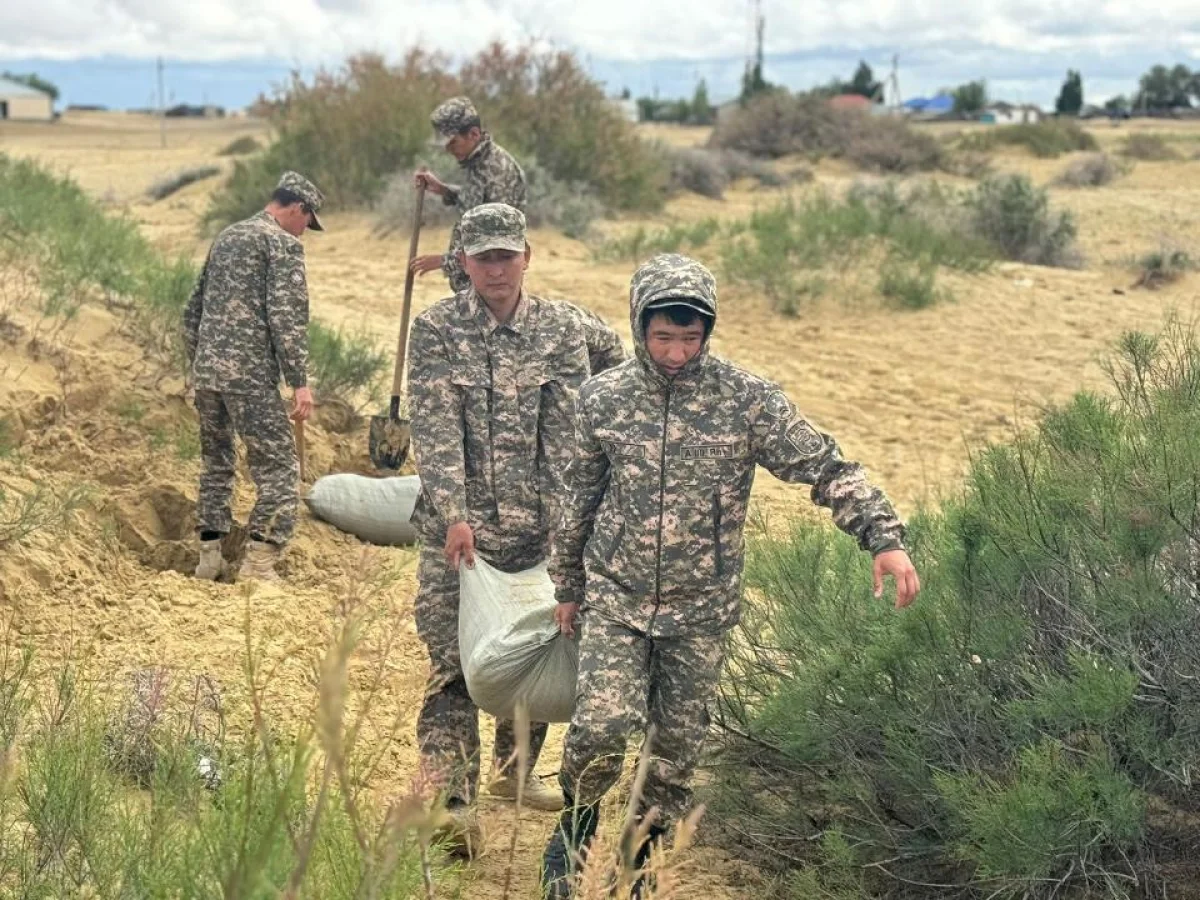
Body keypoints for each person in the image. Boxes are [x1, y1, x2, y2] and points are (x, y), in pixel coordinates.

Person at [541, 254, 922, 897]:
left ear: (708, 332)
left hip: (702, 610)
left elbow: (825, 466)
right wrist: (569, 589)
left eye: (691, 338)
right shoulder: (601, 399)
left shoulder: (745, 400)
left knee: (674, 753)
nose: (676, 353)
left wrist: (882, 537)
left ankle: (639, 863)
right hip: (617, 598)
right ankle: (576, 832)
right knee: (601, 728)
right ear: (639, 327)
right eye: (663, 337)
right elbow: (575, 498)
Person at [406, 202, 626, 856]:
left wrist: (572, 535)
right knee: (450, 668)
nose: (496, 270)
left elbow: (570, 437)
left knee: (534, 656)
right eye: (482, 258)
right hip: (456, 538)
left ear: (527, 257)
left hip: (539, 536)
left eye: (507, 255)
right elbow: (435, 427)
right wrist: (455, 514)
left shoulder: (560, 330)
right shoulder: (437, 331)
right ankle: (453, 805)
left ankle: (513, 774)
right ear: (462, 263)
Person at [182, 171, 323, 583]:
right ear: (297, 208)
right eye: (307, 223)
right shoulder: (281, 245)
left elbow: (193, 309)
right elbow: (287, 318)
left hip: (208, 374)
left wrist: (199, 365)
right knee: (279, 467)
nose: (305, 233)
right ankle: (259, 564)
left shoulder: (227, 235)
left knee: (216, 463)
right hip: (250, 377)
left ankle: (208, 559)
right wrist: (300, 381)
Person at [409, 96, 526, 294]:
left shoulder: (498, 170)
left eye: (453, 143)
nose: (449, 150)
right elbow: (480, 207)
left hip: (494, 287)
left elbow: (497, 240)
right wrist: (443, 189)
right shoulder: (478, 164)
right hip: (476, 287)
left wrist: (444, 261)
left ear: (473, 134)